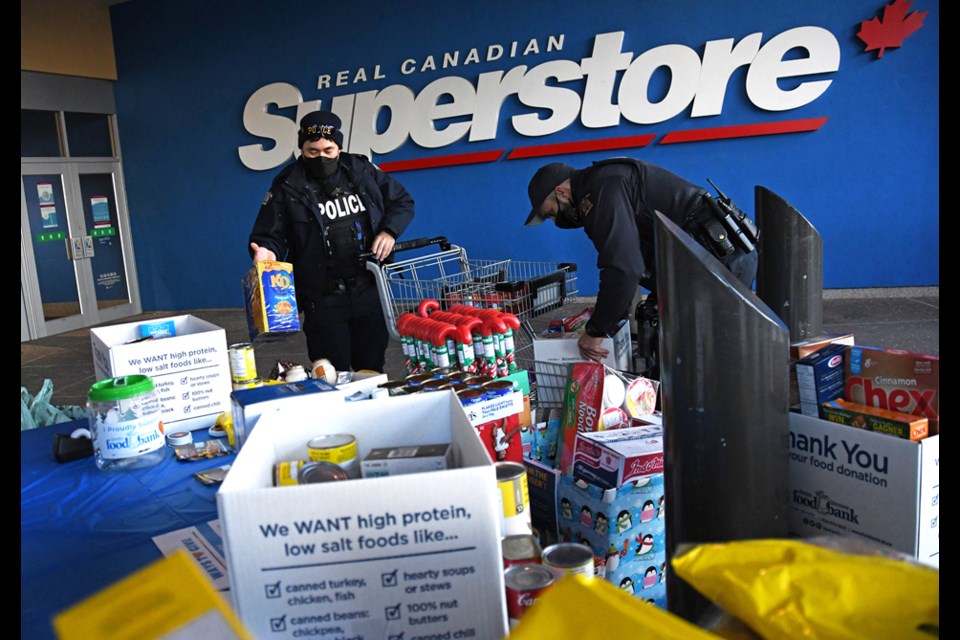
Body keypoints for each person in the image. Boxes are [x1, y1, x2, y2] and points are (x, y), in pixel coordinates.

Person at [524, 158, 758, 362]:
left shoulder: (601, 188)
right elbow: (625, 258)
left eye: (552, 213)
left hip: (720, 262)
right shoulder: (599, 186)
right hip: (707, 262)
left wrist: (596, 331)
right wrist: (609, 313)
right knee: (681, 348)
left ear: (562, 192)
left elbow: (623, 267)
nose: (555, 222)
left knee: (708, 361)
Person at [249, 110, 414, 373]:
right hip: (322, 298)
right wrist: (267, 253)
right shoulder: (287, 184)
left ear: (339, 146)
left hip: (369, 290)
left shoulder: (360, 169)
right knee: (330, 374)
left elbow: (402, 202)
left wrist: (389, 232)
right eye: (312, 151)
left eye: (328, 150)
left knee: (371, 371)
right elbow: (269, 235)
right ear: (301, 147)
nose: (321, 157)